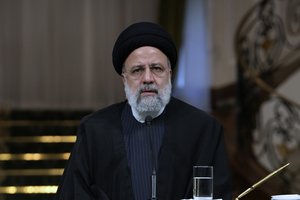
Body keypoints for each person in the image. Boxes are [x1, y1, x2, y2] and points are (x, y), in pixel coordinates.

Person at [55, 22, 232, 200]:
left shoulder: (204, 130)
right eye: (137, 70)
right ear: (124, 79)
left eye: (156, 68)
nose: (148, 78)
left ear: (169, 74)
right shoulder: (94, 130)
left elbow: (218, 193)